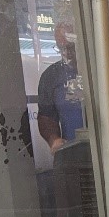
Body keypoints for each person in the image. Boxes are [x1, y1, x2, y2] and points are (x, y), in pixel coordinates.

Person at [37, 19, 84, 154]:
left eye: (70, 47)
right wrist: (54, 139)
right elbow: (46, 116)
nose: (66, 53)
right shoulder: (51, 76)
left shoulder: (98, 70)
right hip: (71, 150)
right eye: (60, 47)